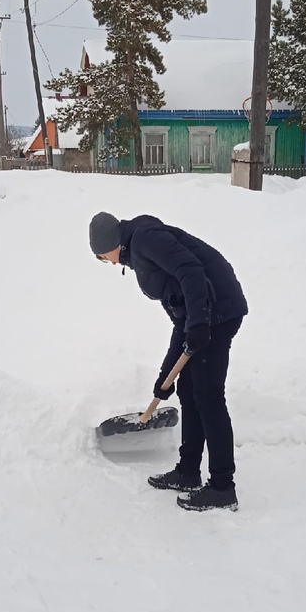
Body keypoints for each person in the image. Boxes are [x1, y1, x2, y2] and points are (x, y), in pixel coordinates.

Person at [89, 211, 248, 511]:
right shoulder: (139, 253)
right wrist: (166, 376)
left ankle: (222, 488)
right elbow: (180, 317)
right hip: (203, 315)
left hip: (218, 311)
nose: (107, 262)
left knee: (208, 397)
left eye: (102, 256)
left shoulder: (145, 239)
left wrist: (199, 323)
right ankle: (188, 472)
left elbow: (191, 270)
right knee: (188, 391)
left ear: (110, 243)